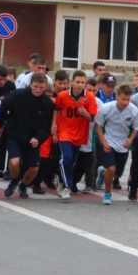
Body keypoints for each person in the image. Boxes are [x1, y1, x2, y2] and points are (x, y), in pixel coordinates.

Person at [0, 73, 54, 198]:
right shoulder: (17, 95)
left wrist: (38, 138)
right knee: (14, 163)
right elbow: (3, 108)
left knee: (34, 168)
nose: (38, 90)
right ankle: (13, 181)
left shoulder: (47, 103)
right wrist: (4, 124)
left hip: (33, 139)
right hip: (15, 135)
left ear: (45, 86)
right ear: (30, 84)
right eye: (36, 86)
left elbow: (46, 126)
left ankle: (23, 185)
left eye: (41, 87)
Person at [51, 70, 98, 199]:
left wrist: (86, 114)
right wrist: (54, 123)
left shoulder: (89, 97)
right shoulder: (63, 95)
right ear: (72, 82)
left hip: (80, 133)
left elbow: (92, 118)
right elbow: (56, 109)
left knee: (71, 160)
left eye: (83, 82)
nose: (80, 85)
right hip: (64, 131)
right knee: (66, 157)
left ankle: (60, 180)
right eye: (78, 82)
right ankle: (66, 186)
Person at [95, 84, 138, 205]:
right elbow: (98, 126)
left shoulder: (134, 111)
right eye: (123, 99)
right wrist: (103, 141)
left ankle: (102, 173)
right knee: (111, 168)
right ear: (117, 96)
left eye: (128, 99)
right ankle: (107, 194)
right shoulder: (106, 108)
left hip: (123, 146)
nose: (125, 102)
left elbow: (136, 128)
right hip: (108, 142)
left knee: (117, 174)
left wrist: (130, 140)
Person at [0, 65, 18, 180]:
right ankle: (0, 169)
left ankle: (8, 170)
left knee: (8, 145)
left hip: (8, 119)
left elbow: (14, 104)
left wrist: (6, 123)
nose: (2, 82)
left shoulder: (10, 86)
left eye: (4, 79)